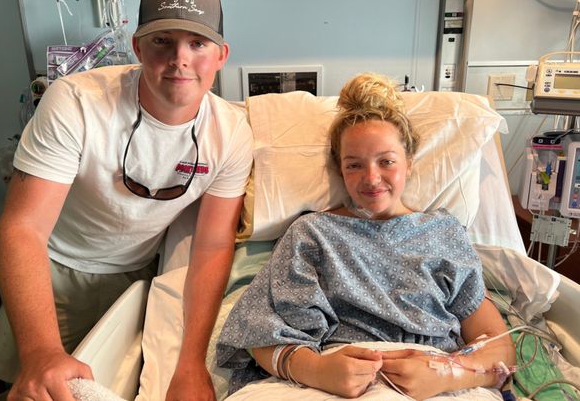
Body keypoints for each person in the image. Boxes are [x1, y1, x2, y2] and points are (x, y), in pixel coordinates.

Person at [0, 0, 253, 401]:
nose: (180, 59)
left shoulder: (232, 134)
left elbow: (211, 246)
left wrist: (190, 363)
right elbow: (23, 229)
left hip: (138, 278)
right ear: (137, 47)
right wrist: (40, 352)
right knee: (36, 389)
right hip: (52, 271)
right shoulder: (75, 102)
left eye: (197, 44)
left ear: (222, 55)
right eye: (162, 40)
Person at [216, 73, 516, 400]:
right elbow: (258, 332)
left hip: (435, 379)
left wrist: (446, 373)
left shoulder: (443, 232)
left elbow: (498, 345)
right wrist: (317, 370)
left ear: (410, 162)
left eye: (386, 161)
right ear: (339, 169)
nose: (371, 178)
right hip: (329, 376)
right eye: (354, 165)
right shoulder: (312, 233)